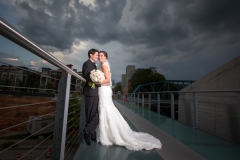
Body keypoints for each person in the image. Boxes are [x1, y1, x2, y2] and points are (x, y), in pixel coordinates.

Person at [96, 51, 162, 150]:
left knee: (105, 108)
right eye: (99, 56)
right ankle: (108, 133)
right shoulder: (102, 66)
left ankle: (108, 135)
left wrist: (98, 81)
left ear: (106, 57)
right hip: (104, 90)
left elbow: (108, 79)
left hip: (104, 90)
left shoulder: (104, 66)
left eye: (102, 56)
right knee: (106, 109)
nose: (100, 57)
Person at [82, 48, 100, 146]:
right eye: (96, 55)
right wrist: (98, 81)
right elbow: (88, 76)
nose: (97, 56)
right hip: (90, 92)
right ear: (91, 55)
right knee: (93, 114)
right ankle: (88, 131)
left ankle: (90, 134)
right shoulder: (87, 63)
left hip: (94, 92)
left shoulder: (93, 64)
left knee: (94, 114)